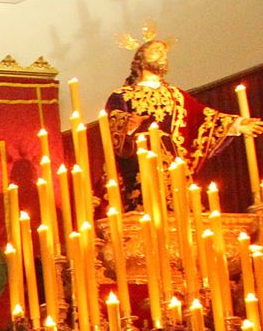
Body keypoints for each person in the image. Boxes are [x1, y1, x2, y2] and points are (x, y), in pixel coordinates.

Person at [105, 32, 261, 211]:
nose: (163, 55)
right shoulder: (122, 95)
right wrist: (128, 124)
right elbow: (111, 123)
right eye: (156, 51)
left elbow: (204, 118)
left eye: (164, 52)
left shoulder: (177, 96)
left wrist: (235, 124)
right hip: (140, 166)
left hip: (175, 169)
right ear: (139, 60)